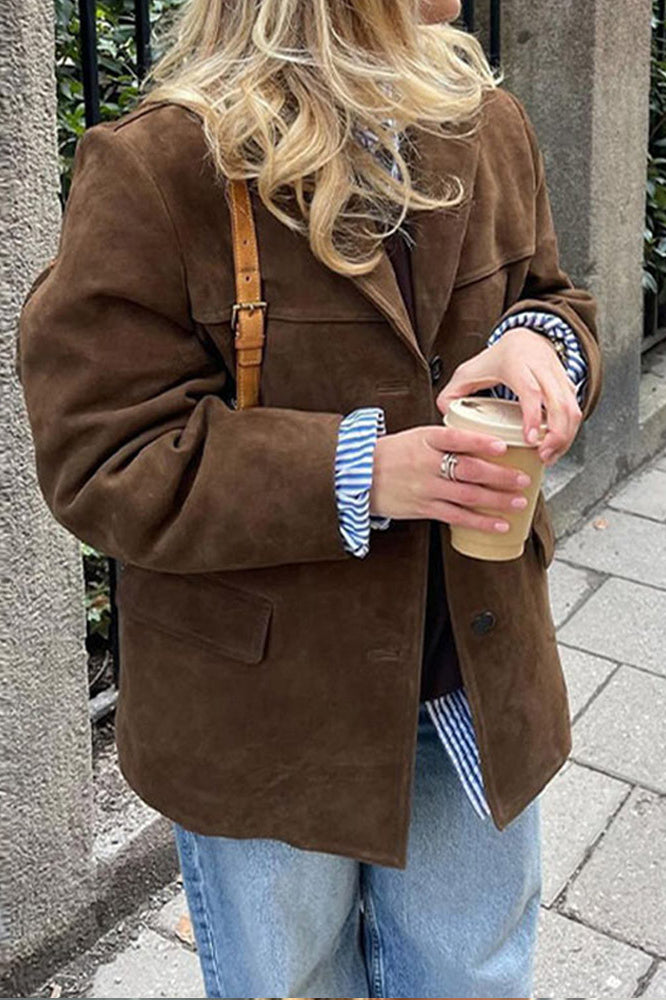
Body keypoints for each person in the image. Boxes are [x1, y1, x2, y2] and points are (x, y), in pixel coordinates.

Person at [17, 0, 603, 996]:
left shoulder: (481, 118)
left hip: (472, 669)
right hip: (265, 710)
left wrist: (543, 347)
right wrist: (363, 473)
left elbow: (555, 295)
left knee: (473, 980)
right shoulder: (163, 166)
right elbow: (102, 450)